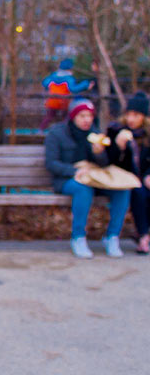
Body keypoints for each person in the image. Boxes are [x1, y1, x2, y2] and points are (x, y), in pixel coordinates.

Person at [45, 98, 130, 258]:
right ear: (73, 116)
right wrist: (72, 171)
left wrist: (99, 153)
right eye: (82, 116)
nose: (87, 120)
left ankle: (112, 237)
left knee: (122, 190)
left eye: (90, 116)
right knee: (83, 189)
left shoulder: (95, 133)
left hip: (94, 178)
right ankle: (78, 237)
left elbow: (104, 164)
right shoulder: (57, 133)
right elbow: (51, 163)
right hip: (67, 180)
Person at [106, 91, 150, 254]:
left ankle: (142, 233)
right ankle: (144, 236)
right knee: (138, 193)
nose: (131, 119)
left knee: (145, 191)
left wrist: (147, 176)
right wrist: (119, 147)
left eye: (136, 115)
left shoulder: (148, 134)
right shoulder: (115, 130)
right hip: (121, 179)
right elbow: (109, 162)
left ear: (144, 117)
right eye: (129, 114)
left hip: (142, 178)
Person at [40, 58, 92, 130]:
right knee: (65, 117)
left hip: (52, 101)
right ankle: (64, 131)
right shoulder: (69, 78)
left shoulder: (53, 76)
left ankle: (41, 129)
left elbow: (45, 83)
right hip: (63, 102)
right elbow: (73, 89)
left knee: (49, 116)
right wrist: (85, 84)